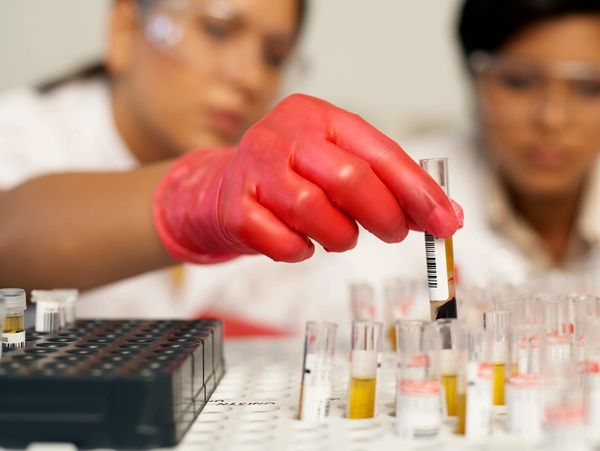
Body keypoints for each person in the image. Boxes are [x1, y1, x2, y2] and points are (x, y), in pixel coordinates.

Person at [0, 0, 461, 330]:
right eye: (218, 30)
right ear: (124, 28)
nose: (250, 76)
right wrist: (195, 197)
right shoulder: (21, 133)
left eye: (274, 56)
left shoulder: (271, 178)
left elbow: (346, 298)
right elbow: (12, 234)